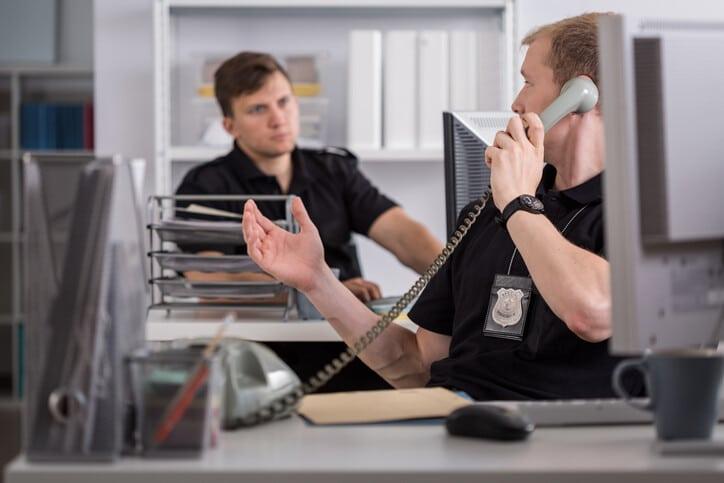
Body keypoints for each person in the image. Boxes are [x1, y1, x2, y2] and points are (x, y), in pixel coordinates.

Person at [242, 12, 631, 401]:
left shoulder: (641, 214)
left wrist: (519, 202)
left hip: (548, 442)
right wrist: (316, 280)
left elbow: (591, 313)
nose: (516, 102)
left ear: (583, 95)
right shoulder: (484, 214)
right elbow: (416, 365)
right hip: (452, 425)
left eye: (528, 82)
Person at [176, 52, 442, 302]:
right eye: (258, 109)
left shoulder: (334, 169)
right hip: (255, 340)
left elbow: (401, 234)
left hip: (345, 336)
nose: (278, 119)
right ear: (229, 126)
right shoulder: (204, 185)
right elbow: (209, 276)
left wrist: (464, 277)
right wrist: (322, 292)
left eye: (283, 102)